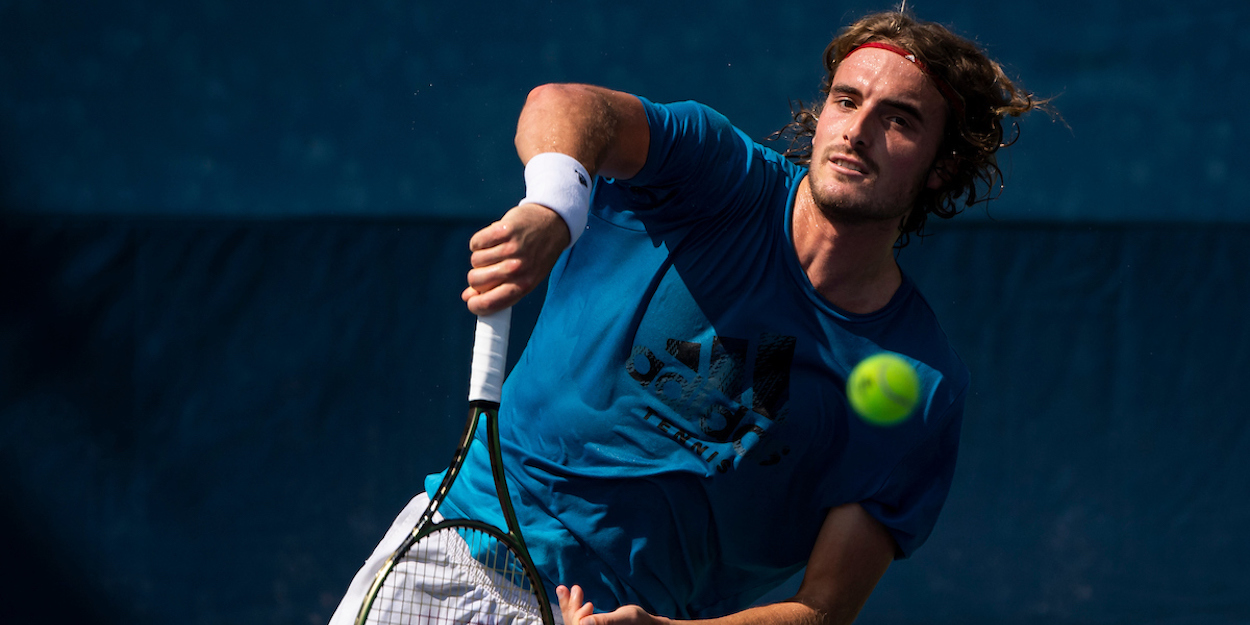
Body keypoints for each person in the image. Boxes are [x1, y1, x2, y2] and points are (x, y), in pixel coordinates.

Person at [332, 8, 1043, 625]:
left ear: (943, 166)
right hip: (459, 560)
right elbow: (572, 104)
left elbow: (823, 607)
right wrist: (554, 205)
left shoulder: (920, 384)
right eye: (846, 100)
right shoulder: (716, 177)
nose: (858, 131)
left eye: (900, 120)